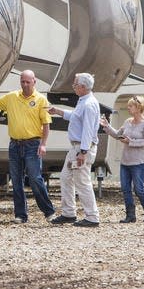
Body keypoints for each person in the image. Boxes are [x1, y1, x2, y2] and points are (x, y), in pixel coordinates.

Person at [0, 69, 57, 224]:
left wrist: (43, 144)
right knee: (16, 181)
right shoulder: (12, 97)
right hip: (15, 145)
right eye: (22, 82)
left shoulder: (41, 100)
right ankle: (20, 215)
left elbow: (46, 124)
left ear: (34, 81)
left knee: (35, 179)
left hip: (33, 144)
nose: (25, 85)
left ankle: (49, 212)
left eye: (28, 82)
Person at [47, 73, 101, 227]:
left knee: (82, 182)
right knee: (65, 177)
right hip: (76, 147)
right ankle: (69, 213)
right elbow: (77, 117)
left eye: (75, 84)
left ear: (83, 87)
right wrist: (59, 111)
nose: (74, 87)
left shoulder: (89, 104)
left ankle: (92, 216)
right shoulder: (83, 101)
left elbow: (88, 130)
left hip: (82, 148)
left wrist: (83, 152)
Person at [100, 95, 144, 223]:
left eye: (131, 106)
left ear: (138, 107)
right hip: (126, 161)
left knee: (139, 189)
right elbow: (118, 134)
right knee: (125, 189)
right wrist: (107, 127)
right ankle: (130, 215)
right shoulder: (127, 122)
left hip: (139, 162)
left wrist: (131, 142)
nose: (128, 108)